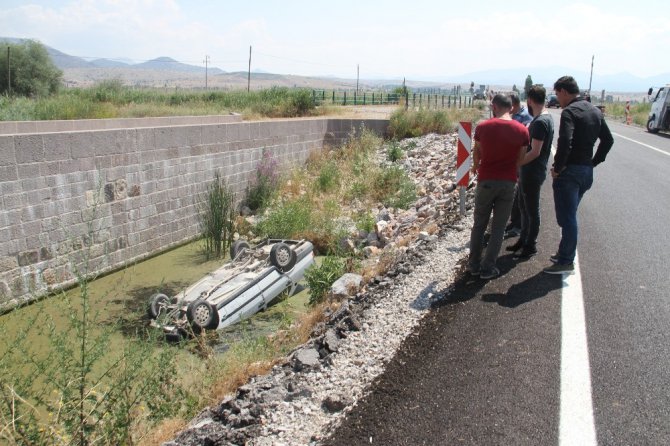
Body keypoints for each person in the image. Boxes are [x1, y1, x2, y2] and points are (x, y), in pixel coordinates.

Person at [543, 76, 614, 274]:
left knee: (566, 218)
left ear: (564, 92)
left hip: (570, 172)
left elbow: (565, 140)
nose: (558, 98)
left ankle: (566, 261)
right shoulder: (595, 111)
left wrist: (557, 168)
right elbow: (608, 140)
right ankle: (564, 253)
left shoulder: (570, 112)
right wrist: (593, 162)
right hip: (585, 172)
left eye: (557, 94)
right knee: (569, 215)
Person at [468, 94, 530, 279]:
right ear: (511, 108)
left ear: (494, 107)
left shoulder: (483, 127)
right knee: (498, 227)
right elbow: (520, 159)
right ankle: (488, 268)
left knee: (479, 224)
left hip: (486, 180)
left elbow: (477, 154)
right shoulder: (522, 131)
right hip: (508, 182)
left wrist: (476, 167)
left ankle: (473, 265)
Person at [506, 85, 554, 259]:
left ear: (530, 101)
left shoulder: (541, 122)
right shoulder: (544, 118)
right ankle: (523, 240)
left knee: (531, 210)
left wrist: (518, 163)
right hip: (530, 171)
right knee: (524, 206)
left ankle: (530, 246)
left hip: (532, 172)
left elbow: (535, 151)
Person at [504, 93, 534, 238]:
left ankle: (518, 226)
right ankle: (513, 222)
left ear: (513, 106)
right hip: (511, 161)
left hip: (519, 161)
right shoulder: (514, 116)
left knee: (519, 196)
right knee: (515, 195)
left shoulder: (526, 118)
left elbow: (525, 142)